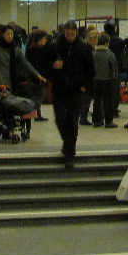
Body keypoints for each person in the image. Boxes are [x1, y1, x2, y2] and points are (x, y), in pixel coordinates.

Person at [46, 20, 94, 169]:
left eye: (72, 34)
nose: (70, 37)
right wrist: (53, 67)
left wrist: (84, 86)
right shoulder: (55, 47)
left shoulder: (83, 48)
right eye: (67, 34)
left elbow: (91, 70)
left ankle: (69, 153)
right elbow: (45, 65)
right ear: (63, 32)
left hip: (76, 90)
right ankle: (67, 143)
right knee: (60, 119)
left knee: (73, 121)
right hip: (60, 89)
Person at [91, 34, 119, 128]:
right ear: (107, 43)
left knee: (97, 101)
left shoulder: (93, 53)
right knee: (107, 101)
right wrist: (114, 78)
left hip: (95, 80)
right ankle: (108, 121)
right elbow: (114, 67)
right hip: (107, 80)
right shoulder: (110, 54)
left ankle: (96, 121)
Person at [25, 30, 52, 122]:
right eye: (44, 39)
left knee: (39, 95)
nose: (46, 41)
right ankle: (35, 113)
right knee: (39, 95)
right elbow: (39, 63)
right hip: (37, 76)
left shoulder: (33, 48)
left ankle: (37, 113)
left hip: (37, 76)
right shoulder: (35, 49)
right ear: (40, 39)